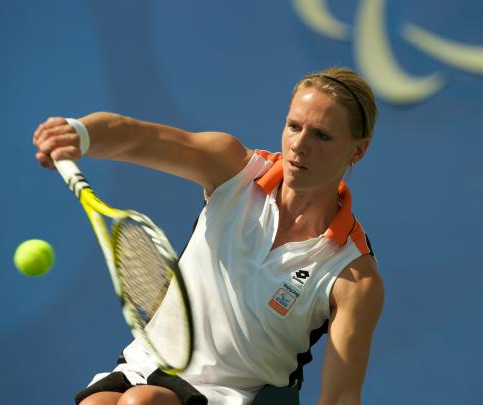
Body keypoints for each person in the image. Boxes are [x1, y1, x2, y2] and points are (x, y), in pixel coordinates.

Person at [33, 67, 384, 405]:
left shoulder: (353, 276)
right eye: (294, 126)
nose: (299, 145)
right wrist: (78, 133)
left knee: (143, 402)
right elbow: (141, 137)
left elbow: (340, 397)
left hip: (236, 396)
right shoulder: (233, 170)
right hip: (146, 364)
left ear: (357, 150)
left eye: (321, 135)